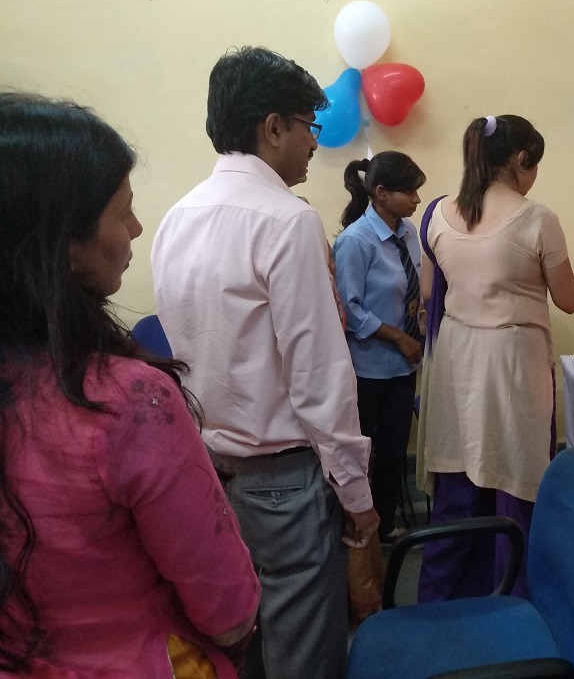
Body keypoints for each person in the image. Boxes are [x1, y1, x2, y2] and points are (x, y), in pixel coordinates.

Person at [0, 92, 259, 678]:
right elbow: (229, 609)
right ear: (65, 244)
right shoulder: (125, 401)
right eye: (123, 213)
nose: (137, 229)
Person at [151, 46, 378, 679]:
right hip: (284, 481)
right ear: (272, 127)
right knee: (303, 650)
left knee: (237, 639)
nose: (315, 142)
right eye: (309, 125)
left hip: (207, 470)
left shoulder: (177, 217)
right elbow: (318, 379)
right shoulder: (287, 221)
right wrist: (357, 495)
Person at [417, 114, 574, 601]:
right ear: (522, 159)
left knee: (460, 476)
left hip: (457, 357)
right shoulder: (537, 218)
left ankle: (441, 603)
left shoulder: (437, 213)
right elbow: (568, 298)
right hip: (512, 363)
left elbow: (429, 292)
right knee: (515, 479)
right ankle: (512, 601)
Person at [333, 151, 426, 542]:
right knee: (363, 454)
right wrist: (399, 337)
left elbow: (413, 289)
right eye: (410, 192)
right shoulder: (356, 241)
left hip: (403, 366)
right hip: (368, 369)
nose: (417, 200)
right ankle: (357, 530)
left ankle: (385, 525)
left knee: (392, 450)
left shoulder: (408, 233)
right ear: (382, 193)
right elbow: (349, 309)